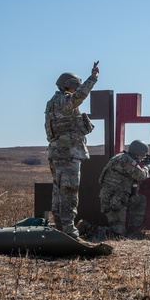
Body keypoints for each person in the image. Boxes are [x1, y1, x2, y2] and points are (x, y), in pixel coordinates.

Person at [45, 63, 99, 238]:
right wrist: (92, 79)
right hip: (68, 154)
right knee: (69, 190)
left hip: (57, 153)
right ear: (70, 84)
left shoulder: (53, 102)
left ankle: (60, 226)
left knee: (59, 190)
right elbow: (79, 97)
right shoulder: (64, 101)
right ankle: (68, 229)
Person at [98, 140, 150, 236]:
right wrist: (147, 166)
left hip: (116, 196)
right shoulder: (127, 160)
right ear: (138, 153)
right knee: (118, 234)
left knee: (140, 200)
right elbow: (141, 175)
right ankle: (89, 229)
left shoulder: (120, 156)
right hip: (113, 201)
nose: (141, 157)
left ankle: (133, 230)